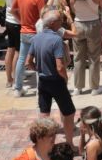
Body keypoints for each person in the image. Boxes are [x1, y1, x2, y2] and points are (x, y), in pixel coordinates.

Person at [26, 9, 77, 142]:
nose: (62, 22)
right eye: (60, 20)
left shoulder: (36, 38)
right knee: (69, 113)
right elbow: (60, 66)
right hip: (56, 81)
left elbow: (28, 62)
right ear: (53, 23)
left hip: (43, 81)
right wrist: (65, 78)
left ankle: (45, 144)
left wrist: (39, 70)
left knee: (44, 114)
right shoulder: (56, 40)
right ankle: (69, 143)